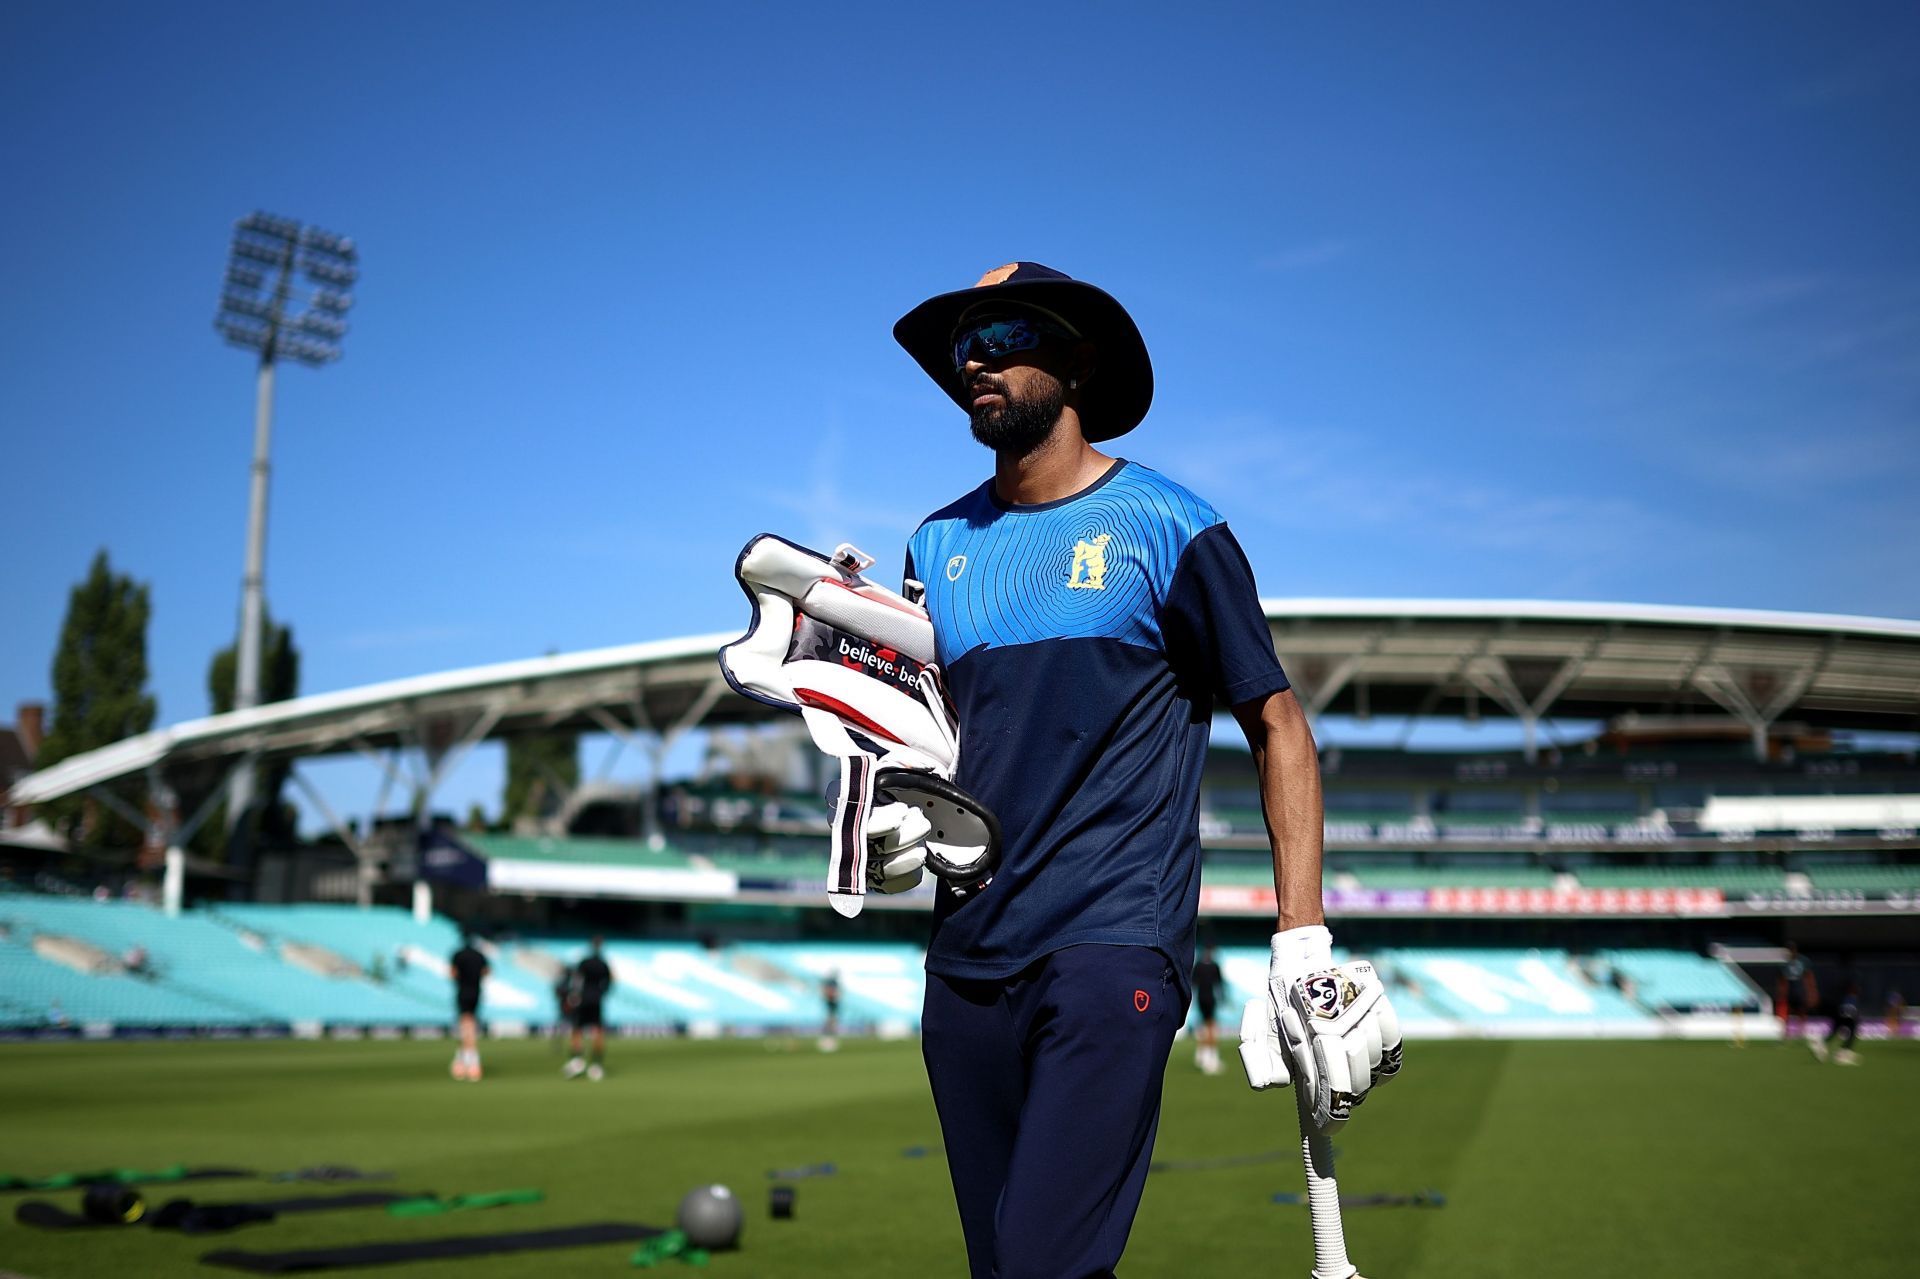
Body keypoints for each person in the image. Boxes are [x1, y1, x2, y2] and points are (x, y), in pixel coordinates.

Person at [885, 263, 1402, 1277]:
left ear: (1077, 361)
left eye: (1002, 332)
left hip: (1108, 943)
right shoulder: (933, 544)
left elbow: (1279, 721)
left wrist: (1303, 935)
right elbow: (922, 736)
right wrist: (886, 804)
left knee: (1044, 1265)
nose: (975, 358)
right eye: (960, 346)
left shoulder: (1172, 526)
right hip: (964, 961)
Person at [562, 936, 613, 1081]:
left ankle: (577, 1061)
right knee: (597, 1030)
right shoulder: (604, 964)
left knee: (577, 1030)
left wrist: (572, 997)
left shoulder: (584, 963)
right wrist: (601, 994)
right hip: (597, 1000)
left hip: (583, 999)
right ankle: (596, 1065)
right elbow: (608, 983)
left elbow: (576, 981)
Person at [449, 930, 489, 1082]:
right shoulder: (480, 956)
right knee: (468, 1025)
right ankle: (461, 1059)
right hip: (476, 992)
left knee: (466, 1025)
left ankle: (471, 1061)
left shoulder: (458, 955)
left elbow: (452, 973)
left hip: (463, 992)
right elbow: (487, 971)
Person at [1190, 946, 1226, 1075]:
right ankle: (1211, 1057)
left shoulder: (1199, 965)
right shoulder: (1213, 966)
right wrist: (1222, 998)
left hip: (1201, 997)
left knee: (1203, 1025)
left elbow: (1193, 983)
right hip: (1209, 998)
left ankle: (1202, 1054)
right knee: (1210, 1025)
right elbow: (1219, 983)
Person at [1810, 979, 1862, 1065]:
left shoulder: (1839, 989)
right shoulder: (1850, 995)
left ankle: (1821, 1043)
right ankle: (1843, 1053)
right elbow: (1850, 1010)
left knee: (1838, 1027)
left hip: (1835, 1007)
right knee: (1852, 1027)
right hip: (1841, 1007)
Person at [1777, 944, 1818, 1040]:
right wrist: (1782, 991)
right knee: (1787, 1011)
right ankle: (1785, 1032)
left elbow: (1809, 977)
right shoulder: (1785, 964)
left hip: (1800, 989)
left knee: (1801, 1011)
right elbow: (1782, 979)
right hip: (1790, 990)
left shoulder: (1803, 961)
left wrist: (1812, 991)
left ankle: (1801, 1031)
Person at [819, 968, 842, 1054]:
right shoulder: (830, 982)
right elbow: (827, 991)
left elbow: (835, 993)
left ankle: (830, 1041)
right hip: (831, 1003)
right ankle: (827, 1041)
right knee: (830, 1022)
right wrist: (832, 995)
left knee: (832, 1022)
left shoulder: (833, 982)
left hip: (833, 1003)